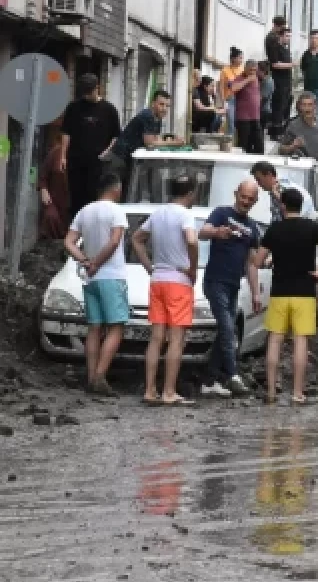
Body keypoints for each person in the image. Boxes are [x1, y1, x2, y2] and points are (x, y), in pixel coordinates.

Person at [255, 188, 318, 405]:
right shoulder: (312, 227)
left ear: (283, 205)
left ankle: (271, 391)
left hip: (280, 292)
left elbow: (258, 261)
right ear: (301, 205)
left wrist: (271, 260)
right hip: (305, 292)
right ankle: (297, 393)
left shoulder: (274, 229)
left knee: (275, 340)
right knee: (300, 342)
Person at [132, 175, 199, 406]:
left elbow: (137, 239)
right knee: (176, 339)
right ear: (190, 193)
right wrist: (192, 268)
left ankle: (150, 390)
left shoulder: (158, 213)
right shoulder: (186, 215)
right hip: (178, 281)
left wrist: (149, 266)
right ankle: (169, 391)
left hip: (158, 279)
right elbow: (191, 241)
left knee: (156, 338)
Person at [63, 174, 129, 396]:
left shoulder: (84, 211)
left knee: (94, 328)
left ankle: (91, 377)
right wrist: (97, 264)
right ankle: (100, 376)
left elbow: (68, 242)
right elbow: (114, 241)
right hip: (111, 276)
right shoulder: (116, 211)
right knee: (116, 327)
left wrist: (85, 261)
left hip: (90, 279)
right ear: (116, 189)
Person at [199, 179, 263, 397]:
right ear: (236, 194)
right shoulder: (221, 213)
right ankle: (233, 375)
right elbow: (203, 232)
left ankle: (209, 380)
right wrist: (218, 233)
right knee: (227, 327)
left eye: (250, 199)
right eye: (242, 196)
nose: (245, 201)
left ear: (255, 201)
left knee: (224, 332)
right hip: (214, 281)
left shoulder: (253, 228)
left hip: (234, 284)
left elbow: (252, 264)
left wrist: (256, 292)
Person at [60, 74, 122, 219]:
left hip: (98, 162)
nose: (87, 95)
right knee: (76, 196)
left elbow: (116, 136)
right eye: (85, 92)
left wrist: (107, 151)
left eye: (90, 91)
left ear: (97, 88)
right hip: (76, 160)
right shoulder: (73, 107)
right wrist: (63, 156)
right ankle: (76, 227)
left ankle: (93, 225)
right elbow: (66, 132)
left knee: (94, 195)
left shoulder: (109, 109)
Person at [105, 90, 185, 186]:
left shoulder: (157, 118)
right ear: (153, 104)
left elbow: (156, 139)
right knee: (114, 193)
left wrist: (169, 139)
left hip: (130, 160)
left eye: (167, 106)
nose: (164, 108)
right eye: (161, 104)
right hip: (120, 159)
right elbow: (150, 143)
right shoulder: (148, 116)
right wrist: (175, 143)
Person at [280, 92, 318, 196]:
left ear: (315, 106)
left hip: (317, 172)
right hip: (298, 173)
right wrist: (293, 146)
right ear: (299, 107)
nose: (307, 108)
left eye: (309, 104)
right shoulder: (293, 125)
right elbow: (281, 150)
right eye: (304, 105)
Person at [251, 160, 316, 222]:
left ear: (269, 174)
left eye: (259, 179)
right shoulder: (276, 190)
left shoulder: (285, 190)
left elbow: (294, 216)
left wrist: (280, 198)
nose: (258, 184)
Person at [38, 136, 71, 239]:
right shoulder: (56, 152)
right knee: (50, 217)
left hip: (72, 207)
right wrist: (43, 189)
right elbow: (43, 176)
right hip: (53, 202)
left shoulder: (86, 157)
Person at [230, 61, 264, 154]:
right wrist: (248, 80)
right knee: (243, 146)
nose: (253, 72)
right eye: (251, 70)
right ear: (245, 69)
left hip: (255, 117)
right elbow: (233, 88)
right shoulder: (240, 78)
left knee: (259, 145)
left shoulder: (257, 79)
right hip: (243, 118)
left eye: (255, 70)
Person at [268, 27, 296, 136]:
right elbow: (275, 64)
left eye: (289, 36)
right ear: (280, 36)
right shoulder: (275, 47)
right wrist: (291, 64)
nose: (288, 38)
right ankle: (275, 132)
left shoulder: (286, 48)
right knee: (278, 107)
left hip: (287, 82)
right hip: (279, 82)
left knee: (285, 106)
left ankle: (282, 130)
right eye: (287, 36)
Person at [218, 47, 245, 138]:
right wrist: (223, 101)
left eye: (242, 58)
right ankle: (229, 142)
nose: (242, 60)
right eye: (240, 58)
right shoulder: (225, 71)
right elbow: (221, 87)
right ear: (233, 58)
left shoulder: (242, 71)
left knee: (240, 121)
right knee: (231, 121)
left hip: (241, 99)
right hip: (230, 99)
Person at [258, 60, 275, 136]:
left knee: (259, 133)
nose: (256, 72)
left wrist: (256, 110)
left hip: (263, 111)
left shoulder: (267, 82)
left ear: (262, 71)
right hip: (263, 110)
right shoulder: (265, 80)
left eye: (257, 70)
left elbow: (263, 99)